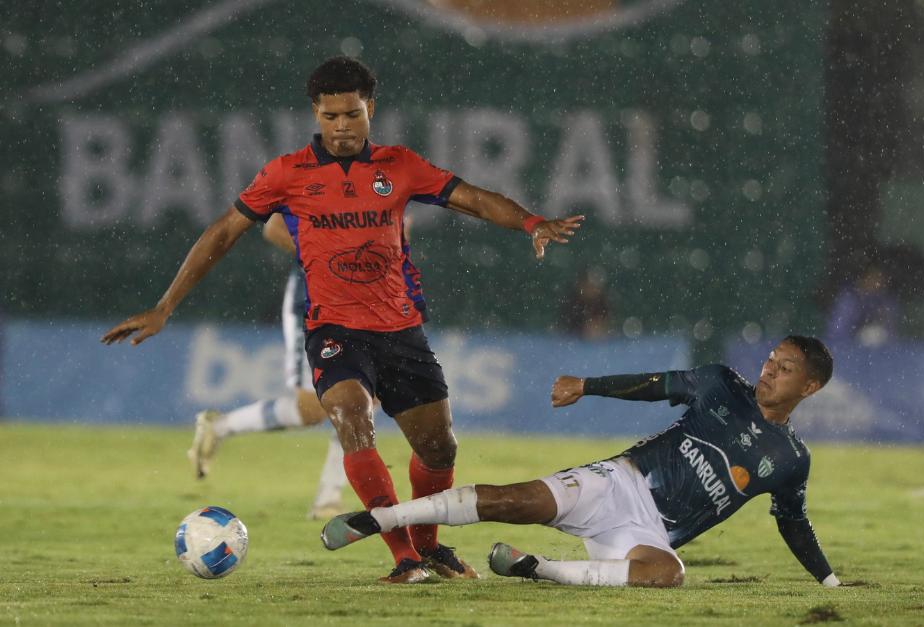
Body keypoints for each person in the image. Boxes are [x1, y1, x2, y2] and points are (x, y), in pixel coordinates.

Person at [101, 56, 583, 584]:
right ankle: (403, 558)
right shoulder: (286, 173)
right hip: (334, 330)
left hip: (400, 330)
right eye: (330, 116)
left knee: (439, 447)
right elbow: (224, 231)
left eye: (352, 114)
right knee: (353, 416)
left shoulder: (399, 165)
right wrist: (165, 306)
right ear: (316, 113)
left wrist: (531, 222)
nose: (342, 127)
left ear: (370, 108)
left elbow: (473, 199)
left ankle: (428, 547)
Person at [321, 336, 842, 589]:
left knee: (669, 574)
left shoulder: (791, 459)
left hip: (647, 534)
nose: (769, 370)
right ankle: (380, 518)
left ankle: (537, 568)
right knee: (511, 501)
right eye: (771, 359)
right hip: (620, 483)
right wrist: (587, 386)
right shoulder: (721, 384)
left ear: (810, 387)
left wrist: (829, 582)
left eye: (785, 368)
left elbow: (793, 522)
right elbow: (654, 385)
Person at [187, 214, 349, 520]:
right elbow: (274, 227)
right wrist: (330, 262)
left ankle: (329, 497)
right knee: (312, 411)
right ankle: (220, 427)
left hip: (365, 302)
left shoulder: (383, 188)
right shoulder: (313, 184)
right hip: (313, 304)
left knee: (366, 396)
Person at [826, 262, 900, 347]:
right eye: (873, 279)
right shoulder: (849, 300)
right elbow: (836, 334)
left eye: (880, 280)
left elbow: (892, 335)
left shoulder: (882, 300)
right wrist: (858, 337)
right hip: (848, 350)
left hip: (878, 352)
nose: (878, 284)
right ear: (862, 279)